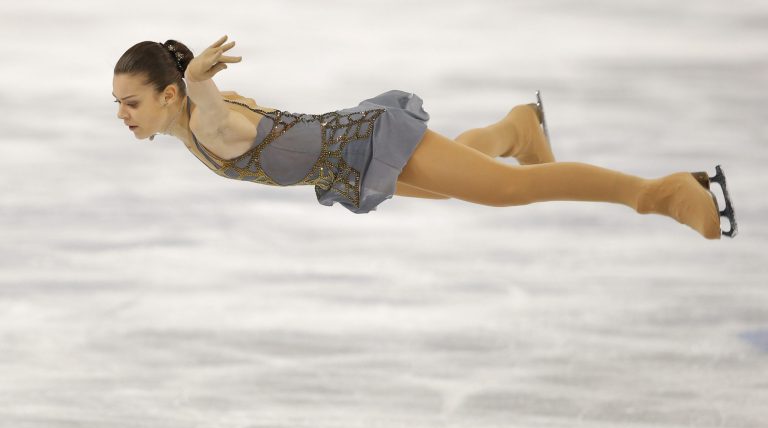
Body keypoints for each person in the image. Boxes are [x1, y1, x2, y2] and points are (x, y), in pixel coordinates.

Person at [112, 35, 737, 239]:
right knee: (456, 188)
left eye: (131, 102)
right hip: (349, 166)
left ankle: (664, 192)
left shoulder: (205, 120)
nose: (123, 114)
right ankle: (517, 126)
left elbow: (215, 110)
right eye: (118, 105)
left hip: (367, 142)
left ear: (169, 95)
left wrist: (196, 79)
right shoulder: (184, 130)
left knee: (507, 192)